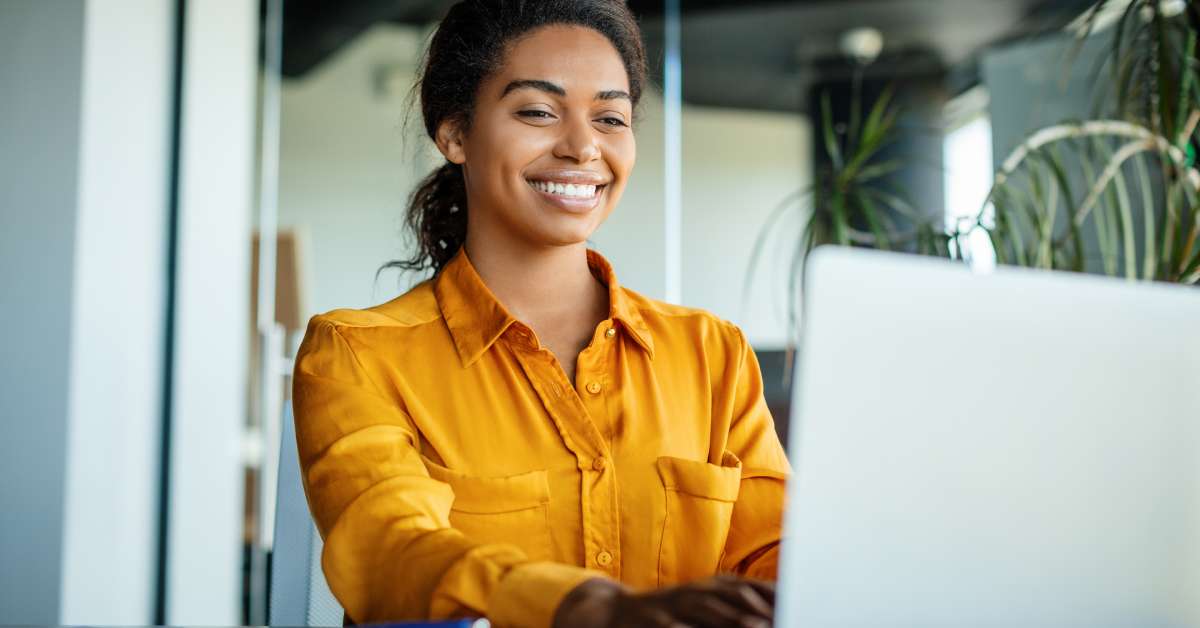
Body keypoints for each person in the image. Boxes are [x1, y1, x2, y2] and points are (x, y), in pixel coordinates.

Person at [291, 1, 791, 626]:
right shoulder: (357, 355)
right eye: (537, 111)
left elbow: (778, 558)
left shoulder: (712, 354)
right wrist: (583, 608)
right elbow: (392, 547)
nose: (584, 147)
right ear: (454, 133)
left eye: (611, 117)